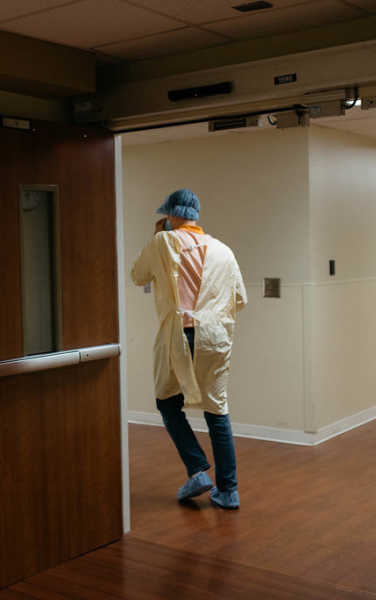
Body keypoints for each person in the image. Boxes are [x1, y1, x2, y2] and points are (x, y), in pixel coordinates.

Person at [130, 189, 247, 510]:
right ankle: (228, 490)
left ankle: (197, 469)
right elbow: (240, 299)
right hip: (217, 337)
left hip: (181, 334)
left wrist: (157, 237)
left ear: (169, 215)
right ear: (195, 215)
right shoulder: (223, 250)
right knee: (217, 412)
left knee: (167, 403)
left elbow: (137, 275)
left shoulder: (163, 242)